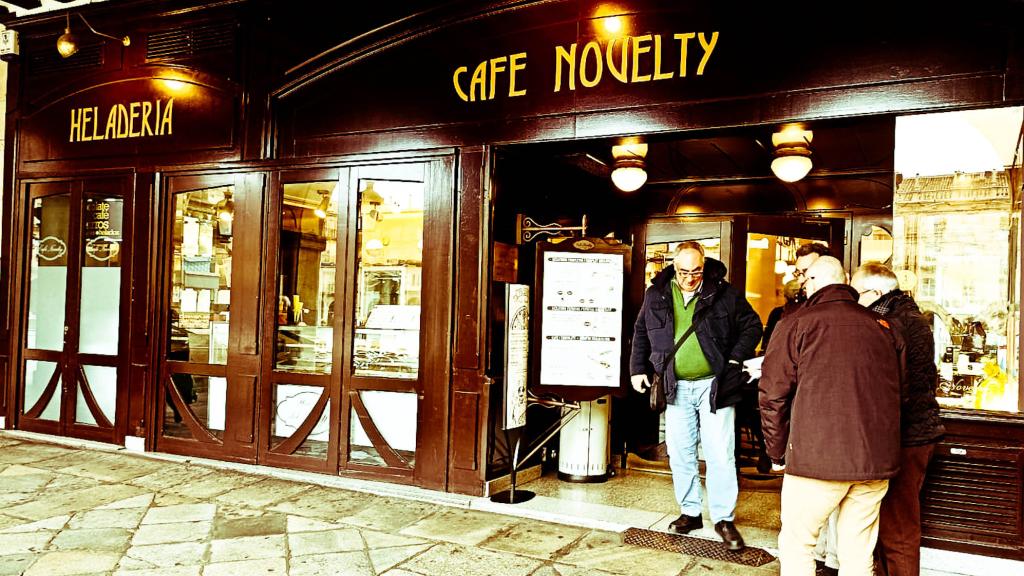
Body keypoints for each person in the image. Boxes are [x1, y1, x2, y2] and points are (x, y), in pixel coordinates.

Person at [759, 256, 903, 576]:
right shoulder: (882, 325)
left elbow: (772, 395)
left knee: (798, 545)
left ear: (812, 282)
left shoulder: (795, 323)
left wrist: (776, 452)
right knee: (858, 551)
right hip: (874, 460)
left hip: (816, 459)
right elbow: (899, 390)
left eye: (806, 279)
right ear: (846, 280)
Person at [630, 241, 762, 551]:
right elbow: (641, 332)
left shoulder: (724, 293)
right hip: (675, 385)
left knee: (720, 454)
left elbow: (753, 326)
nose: (690, 278)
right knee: (680, 452)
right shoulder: (656, 294)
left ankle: (723, 518)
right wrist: (637, 369)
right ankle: (690, 512)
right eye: (683, 272)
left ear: (704, 266)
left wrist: (734, 359)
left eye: (696, 272)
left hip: (715, 386)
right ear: (673, 267)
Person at [851, 262, 945, 576]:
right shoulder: (910, 316)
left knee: (898, 526)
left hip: (905, 435)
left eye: (856, 293)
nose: (853, 300)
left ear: (875, 292)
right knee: (894, 522)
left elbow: (894, 388)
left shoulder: (890, 322)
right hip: (916, 431)